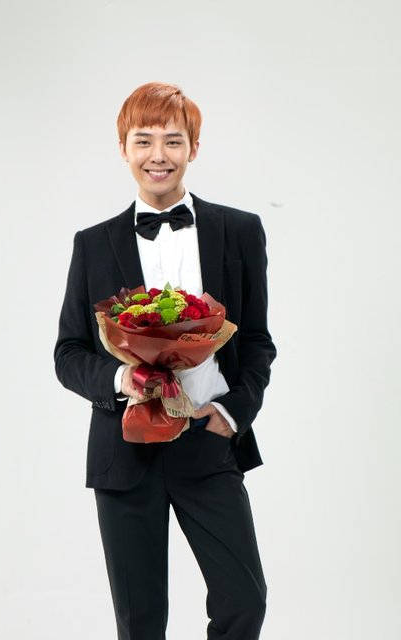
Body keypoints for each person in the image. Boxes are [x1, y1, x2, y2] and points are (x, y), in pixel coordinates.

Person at [54, 82, 276, 640]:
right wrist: (121, 377)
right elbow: (68, 352)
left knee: (244, 602)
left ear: (194, 147)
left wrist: (231, 413)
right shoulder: (92, 243)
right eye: (144, 140)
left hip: (207, 442)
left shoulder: (239, 230)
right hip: (124, 449)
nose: (159, 155)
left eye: (174, 141)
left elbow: (256, 341)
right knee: (141, 622)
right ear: (123, 148)